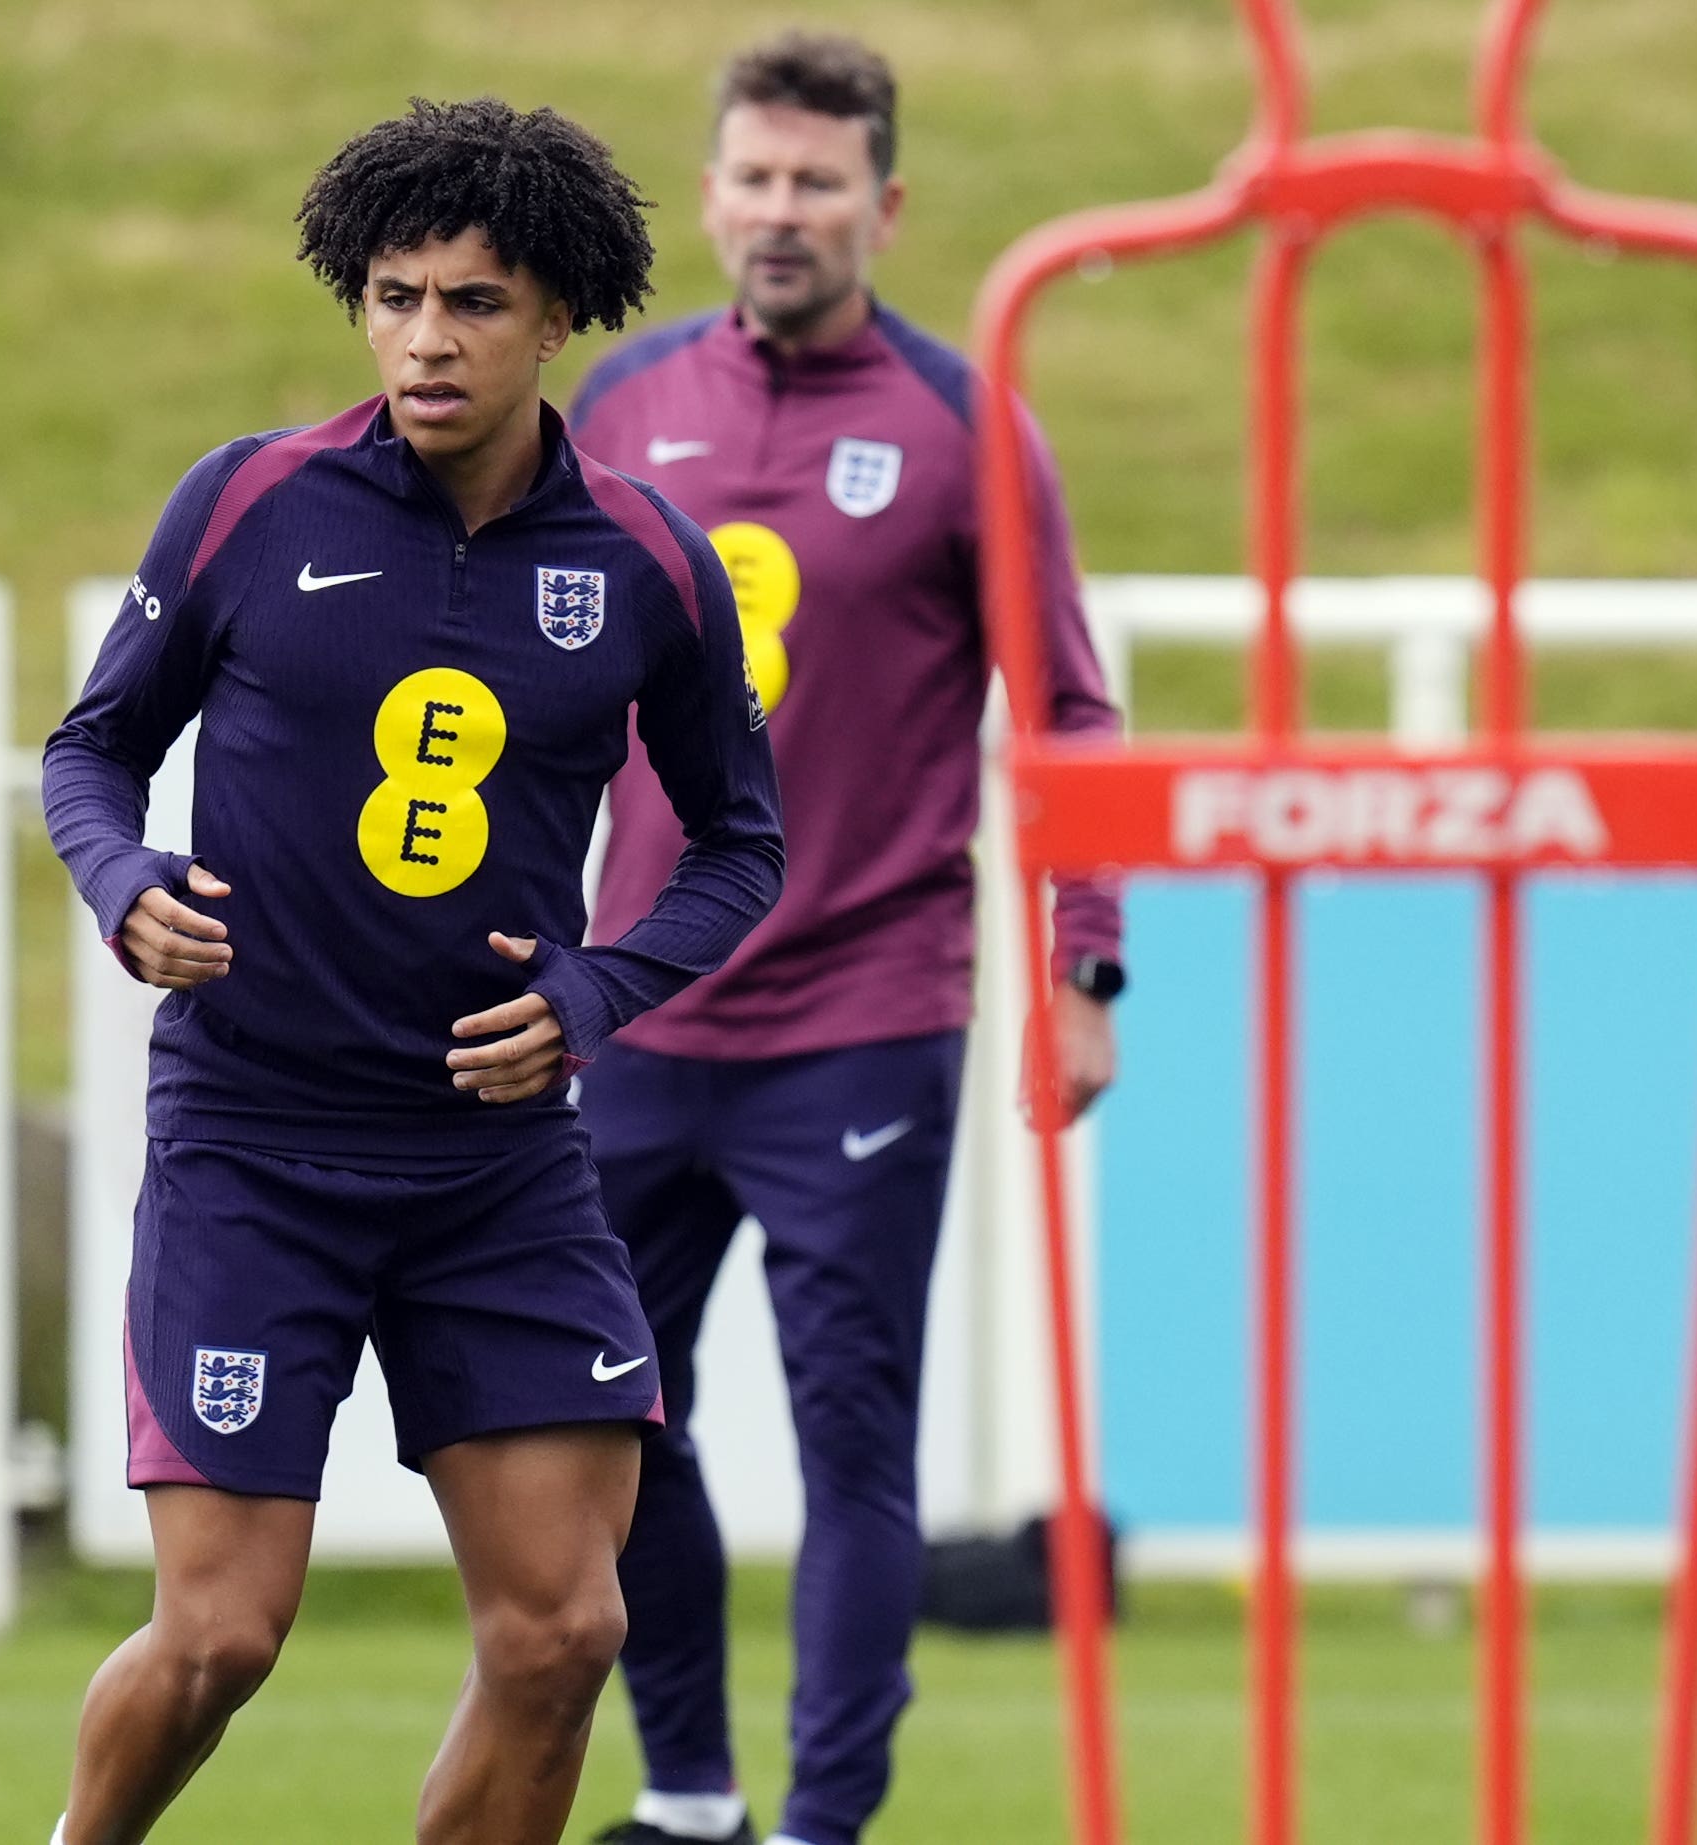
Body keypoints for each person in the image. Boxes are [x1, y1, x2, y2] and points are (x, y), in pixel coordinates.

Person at [40, 97, 786, 1845]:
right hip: (255, 1141)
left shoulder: (650, 566)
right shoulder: (245, 502)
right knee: (221, 1631)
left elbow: (743, 844)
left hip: (498, 1171)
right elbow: (90, 751)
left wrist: (598, 992)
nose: (427, 340)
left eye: (473, 302)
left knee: (563, 1628)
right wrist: (122, 876)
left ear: (557, 318)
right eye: (394, 297)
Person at [565, 35, 1127, 1845]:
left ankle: (824, 1820)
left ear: (884, 205)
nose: (783, 211)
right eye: (755, 176)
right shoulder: (624, 402)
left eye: (821, 182)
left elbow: (1070, 714)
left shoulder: (965, 424)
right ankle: (690, 1794)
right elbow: (524, 685)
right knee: (612, 1423)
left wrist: (1084, 964)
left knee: (852, 1440)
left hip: (866, 1017)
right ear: (712, 191)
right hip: (637, 1009)